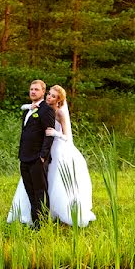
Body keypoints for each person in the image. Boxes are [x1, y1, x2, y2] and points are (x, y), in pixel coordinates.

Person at [7, 84, 95, 227]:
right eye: (49, 94)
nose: (49, 97)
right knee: (36, 183)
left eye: (53, 96)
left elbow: (67, 136)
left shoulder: (59, 113)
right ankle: (34, 215)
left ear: (58, 100)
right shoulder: (40, 109)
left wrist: (55, 134)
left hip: (55, 147)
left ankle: (51, 215)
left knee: (53, 182)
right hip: (39, 150)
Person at [11, 79, 56, 228]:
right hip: (24, 157)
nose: (33, 92)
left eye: (36, 89)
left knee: (40, 191)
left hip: (38, 158)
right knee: (30, 191)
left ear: (43, 92)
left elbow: (49, 134)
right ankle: (34, 222)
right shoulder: (28, 110)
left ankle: (42, 224)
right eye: (31, 89)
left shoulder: (46, 110)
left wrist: (43, 155)